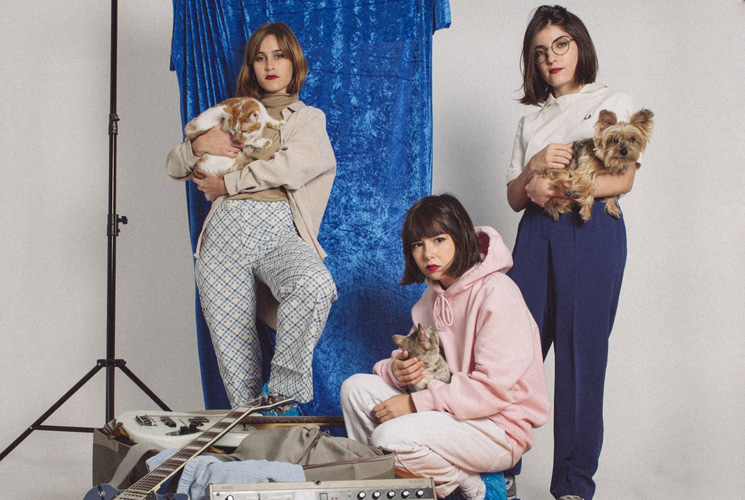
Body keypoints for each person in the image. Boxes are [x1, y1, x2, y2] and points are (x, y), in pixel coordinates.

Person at [505, 6, 644, 500]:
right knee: (511, 351)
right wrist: (534, 169)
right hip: (535, 233)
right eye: (540, 51)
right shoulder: (531, 120)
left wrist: (560, 189)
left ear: (579, 45)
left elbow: (622, 180)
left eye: (560, 44)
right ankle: (498, 468)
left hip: (589, 227)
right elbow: (515, 196)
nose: (551, 58)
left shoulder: (612, 101)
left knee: (581, 356)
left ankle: (572, 485)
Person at [166, 22, 337, 409]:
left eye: (279, 56)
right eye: (260, 58)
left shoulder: (307, 118)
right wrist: (200, 143)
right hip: (222, 238)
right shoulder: (230, 112)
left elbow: (293, 166)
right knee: (236, 361)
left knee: (314, 285)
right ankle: (256, 435)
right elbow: (174, 165)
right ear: (251, 66)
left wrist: (228, 183)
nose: (270, 65)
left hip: (277, 229)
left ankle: (282, 399)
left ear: (294, 63)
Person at [341, 194, 549, 500]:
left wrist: (415, 404)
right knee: (355, 390)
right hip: (451, 414)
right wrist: (396, 369)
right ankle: (385, 488)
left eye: (439, 240)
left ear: (460, 236)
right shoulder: (432, 297)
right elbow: (416, 359)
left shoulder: (498, 293)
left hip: (498, 427)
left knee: (389, 436)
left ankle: (478, 487)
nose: (428, 254)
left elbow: (492, 390)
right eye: (418, 244)